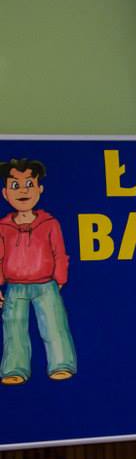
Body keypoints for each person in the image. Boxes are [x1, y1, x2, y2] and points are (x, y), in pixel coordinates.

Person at [0, 159, 77, 384]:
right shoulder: (3, 228)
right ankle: (14, 368)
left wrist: (60, 279)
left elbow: (59, 253)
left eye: (29, 184)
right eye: (15, 185)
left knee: (54, 326)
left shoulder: (50, 223)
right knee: (13, 328)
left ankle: (61, 364)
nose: (23, 191)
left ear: (39, 189)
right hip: (14, 287)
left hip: (46, 285)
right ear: (5, 193)